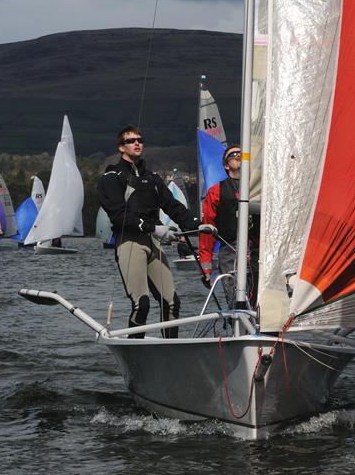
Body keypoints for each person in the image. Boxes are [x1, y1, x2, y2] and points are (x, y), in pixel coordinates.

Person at [97, 125, 201, 338]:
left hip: (152, 242)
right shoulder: (111, 177)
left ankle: (170, 350)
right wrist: (154, 227)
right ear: (121, 147)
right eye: (131, 140)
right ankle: (136, 350)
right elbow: (119, 215)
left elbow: (172, 206)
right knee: (141, 303)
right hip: (129, 241)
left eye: (140, 140)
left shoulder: (152, 179)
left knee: (172, 303)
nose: (137, 143)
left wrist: (197, 225)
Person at [199, 144, 260, 308]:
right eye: (234, 154)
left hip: (258, 250)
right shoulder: (215, 192)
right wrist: (206, 266)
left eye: (242, 153)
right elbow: (207, 230)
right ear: (226, 165)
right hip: (229, 251)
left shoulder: (260, 188)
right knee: (236, 303)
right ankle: (237, 327)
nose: (239, 155)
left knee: (261, 303)